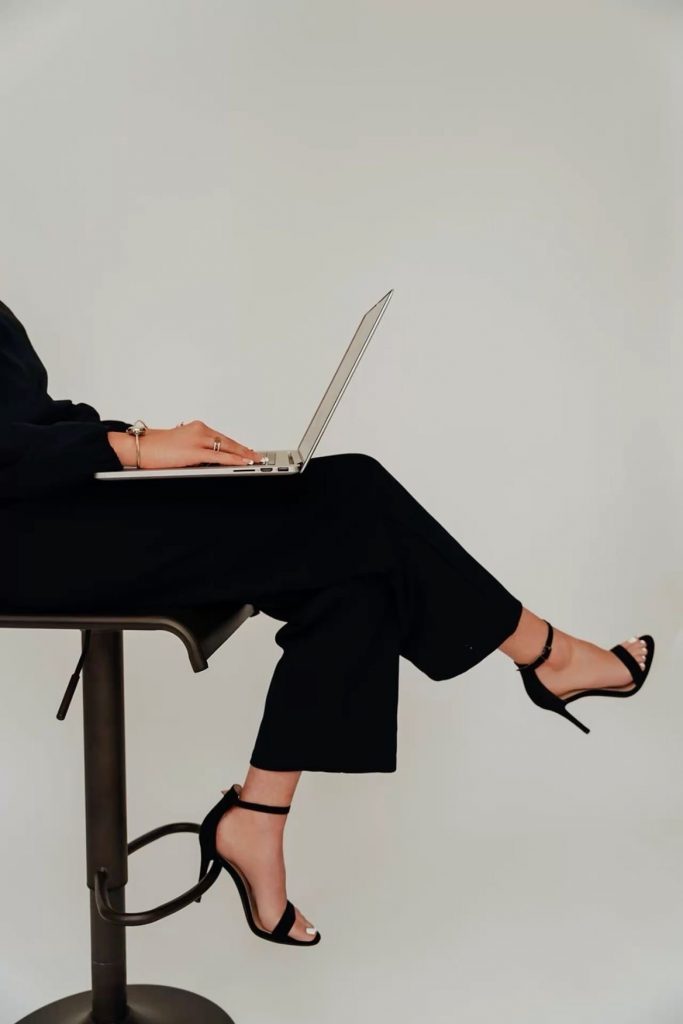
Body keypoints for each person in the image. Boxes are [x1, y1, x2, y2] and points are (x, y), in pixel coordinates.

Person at [0, 297, 654, 946]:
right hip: (23, 547)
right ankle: (548, 656)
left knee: (356, 567)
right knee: (355, 497)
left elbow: (29, 418)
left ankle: (256, 818)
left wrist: (149, 447)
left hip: (55, 498)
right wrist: (131, 449)